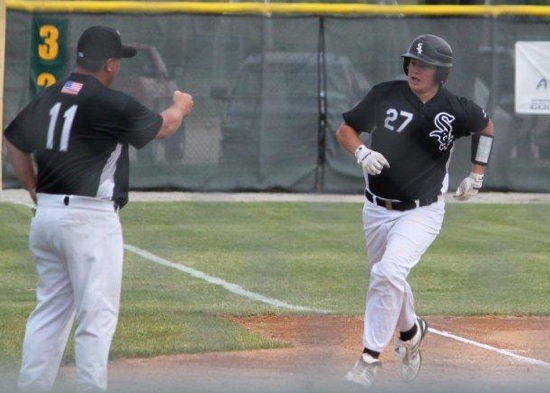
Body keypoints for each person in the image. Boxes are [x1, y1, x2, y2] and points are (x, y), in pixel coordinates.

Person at [3, 25, 193, 393]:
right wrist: (180, 105)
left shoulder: (51, 95)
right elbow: (165, 127)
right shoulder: (110, 102)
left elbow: (13, 140)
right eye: (117, 61)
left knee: (49, 313)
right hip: (89, 220)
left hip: (48, 216)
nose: (118, 68)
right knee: (96, 317)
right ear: (108, 64)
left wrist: (32, 186)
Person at [337, 34, 494, 389]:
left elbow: (486, 128)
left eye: (423, 64)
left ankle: (369, 359)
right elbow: (346, 129)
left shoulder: (456, 108)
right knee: (386, 277)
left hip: (422, 211)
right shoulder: (385, 95)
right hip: (376, 209)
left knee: (388, 272)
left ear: (441, 72)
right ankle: (411, 330)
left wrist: (477, 175)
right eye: (412, 61)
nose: (414, 68)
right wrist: (361, 152)